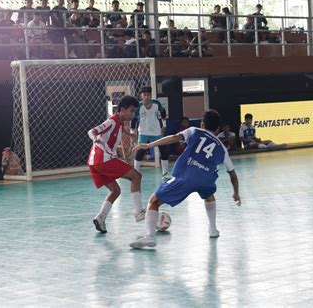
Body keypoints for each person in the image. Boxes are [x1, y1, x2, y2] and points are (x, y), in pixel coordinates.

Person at [129, 109, 241, 249]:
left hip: (187, 177)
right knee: (209, 195)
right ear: (217, 128)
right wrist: (236, 193)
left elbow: (174, 138)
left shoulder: (194, 131)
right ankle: (213, 229)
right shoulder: (222, 148)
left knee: (154, 201)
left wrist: (148, 145)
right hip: (206, 180)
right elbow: (233, 174)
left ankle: (150, 237)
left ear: (202, 124)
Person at [88, 95, 145, 233]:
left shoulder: (119, 124)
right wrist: (95, 138)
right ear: (123, 110)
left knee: (116, 191)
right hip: (103, 160)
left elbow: (121, 134)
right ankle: (139, 212)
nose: (133, 114)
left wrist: (131, 136)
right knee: (136, 176)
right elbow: (92, 131)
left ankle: (100, 218)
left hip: (94, 163)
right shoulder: (112, 121)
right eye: (131, 111)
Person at [131, 86, 172, 181]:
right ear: (141, 95)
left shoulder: (156, 104)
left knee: (164, 150)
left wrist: (164, 125)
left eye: (148, 95)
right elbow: (133, 120)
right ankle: (135, 173)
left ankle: (165, 173)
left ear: (151, 95)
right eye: (144, 95)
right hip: (143, 132)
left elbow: (163, 112)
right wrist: (133, 133)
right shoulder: (138, 107)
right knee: (140, 151)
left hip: (156, 131)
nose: (146, 97)